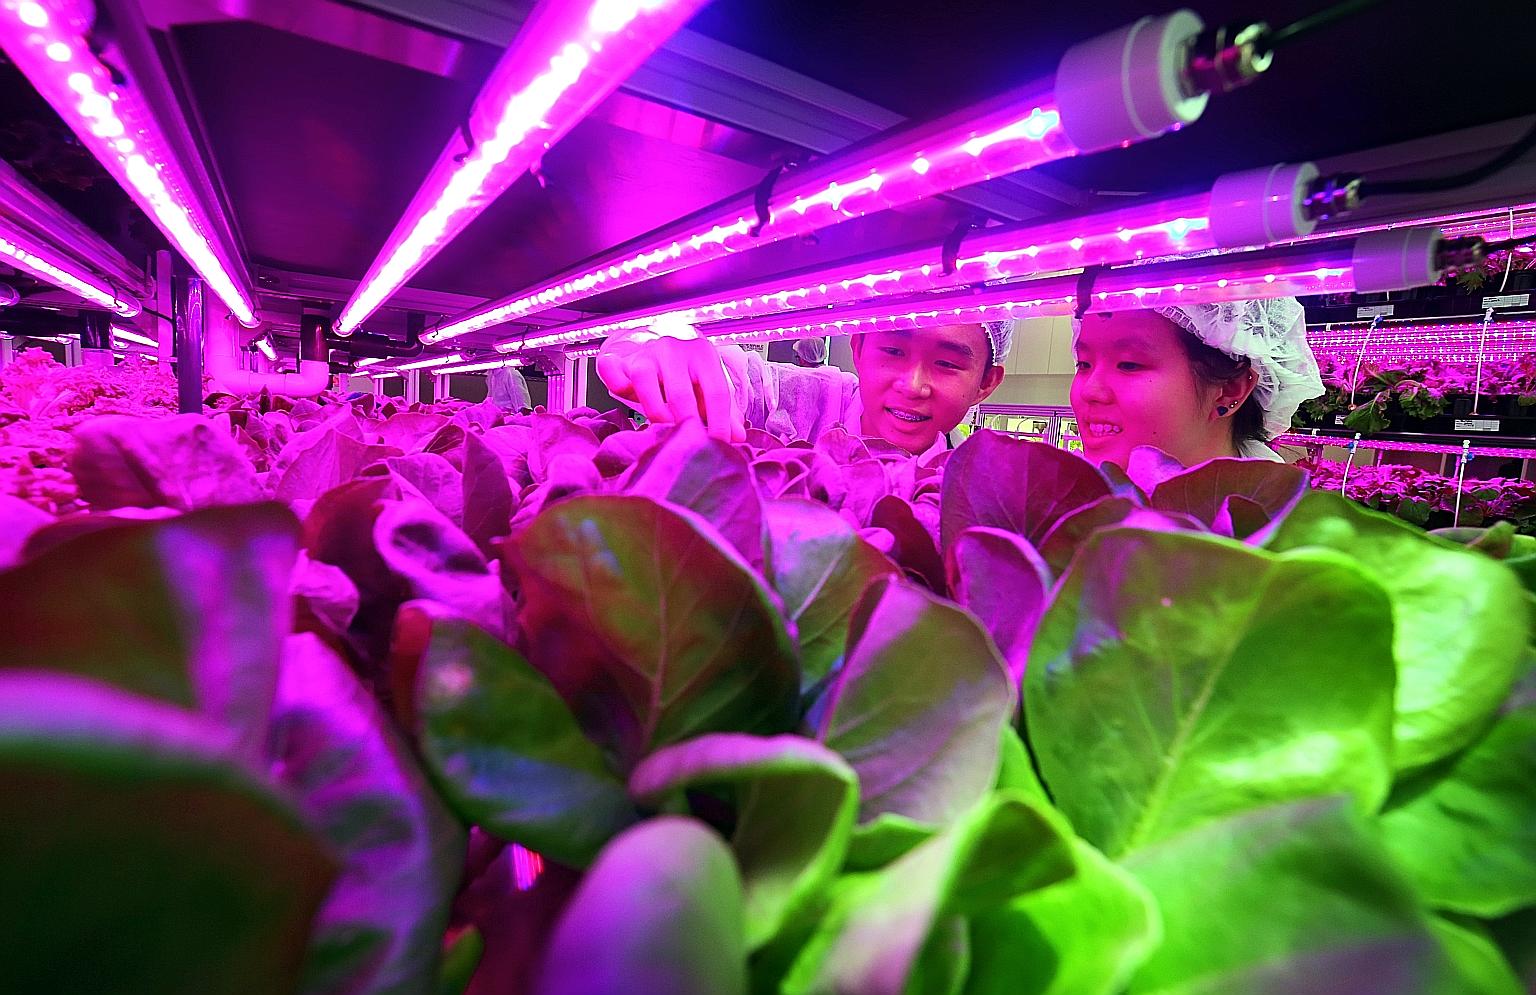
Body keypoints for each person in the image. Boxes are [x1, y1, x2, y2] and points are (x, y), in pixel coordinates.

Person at [595, 315, 1013, 456]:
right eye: (893, 352)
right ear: (859, 345)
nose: (913, 385)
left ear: (987, 383)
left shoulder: (970, 484)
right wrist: (653, 350)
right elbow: (735, 378)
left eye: (946, 363)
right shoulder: (802, 401)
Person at [1070, 297, 1322, 468]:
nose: (1091, 390)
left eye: (1129, 364)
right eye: (1084, 364)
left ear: (1230, 389)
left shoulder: (1267, 538)